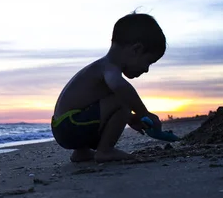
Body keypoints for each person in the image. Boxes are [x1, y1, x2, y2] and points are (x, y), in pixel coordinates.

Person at [51, 12, 166, 163]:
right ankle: (105, 151)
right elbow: (119, 86)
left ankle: (82, 152)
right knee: (122, 98)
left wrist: (130, 118)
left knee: (118, 99)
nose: (146, 70)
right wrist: (144, 113)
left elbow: (96, 106)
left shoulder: (101, 67)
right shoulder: (109, 68)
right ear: (136, 50)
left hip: (63, 127)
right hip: (72, 126)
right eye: (148, 62)